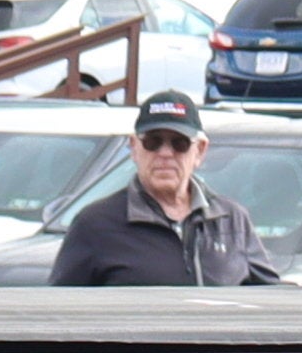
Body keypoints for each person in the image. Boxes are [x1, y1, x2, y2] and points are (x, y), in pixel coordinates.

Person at [53, 90, 263, 286]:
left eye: (179, 143)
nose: (165, 153)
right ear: (134, 147)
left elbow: (272, 300)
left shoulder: (232, 220)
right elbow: (60, 312)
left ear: (199, 150)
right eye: (153, 142)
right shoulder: (95, 225)